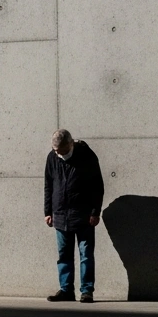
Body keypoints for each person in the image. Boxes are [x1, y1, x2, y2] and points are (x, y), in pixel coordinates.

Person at [43, 128, 104, 302]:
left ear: (70, 144)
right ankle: (66, 290)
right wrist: (48, 211)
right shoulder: (52, 157)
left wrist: (95, 212)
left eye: (61, 150)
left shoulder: (87, 156)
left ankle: (87, 290)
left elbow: (97, 186)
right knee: (64, 255)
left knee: (86, 255)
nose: (58, 154)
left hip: (84, 215)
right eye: (56, 150)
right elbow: (48, 185)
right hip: (60, 215)